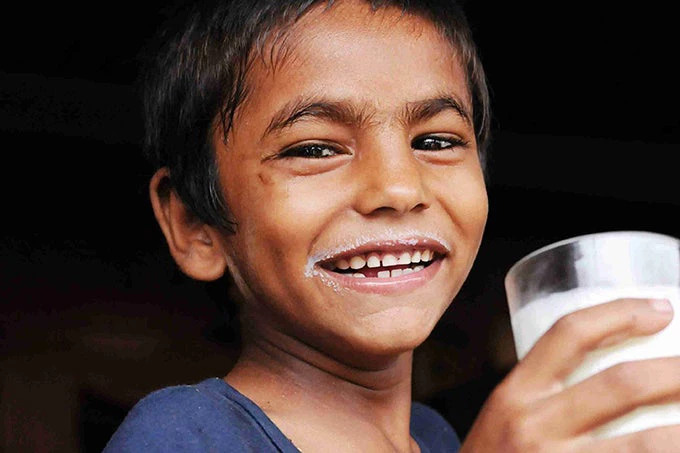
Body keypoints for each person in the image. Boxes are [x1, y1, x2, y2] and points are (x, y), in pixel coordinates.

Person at [104, 0, 680, 451]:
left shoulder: (438, 439)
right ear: (194, 225)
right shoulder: (184, 433)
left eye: (436, 141)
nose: (400, 188)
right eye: (313, 149)